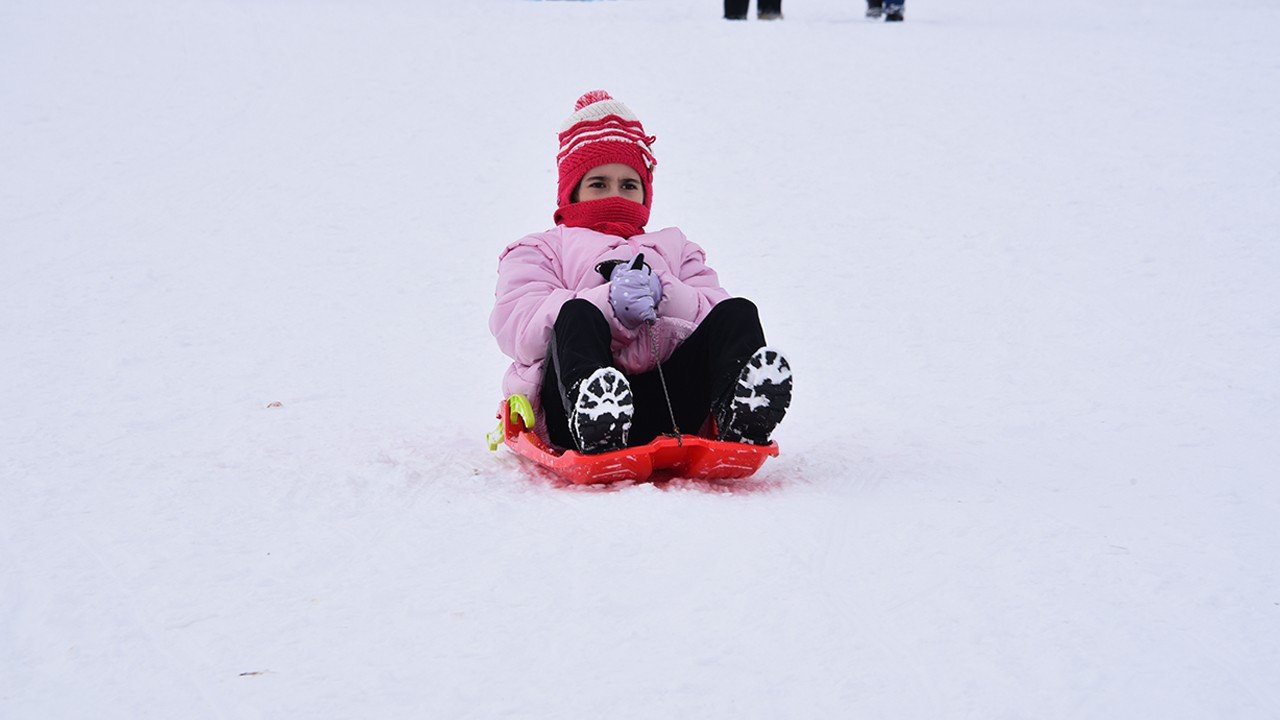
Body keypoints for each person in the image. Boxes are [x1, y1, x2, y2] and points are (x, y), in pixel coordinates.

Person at [489, 90, 793, 455]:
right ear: (572, 191)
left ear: (645, 193)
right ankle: (598, 416)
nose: (615, 195)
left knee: (737, 313)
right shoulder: (540, 249)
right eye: (599, 183)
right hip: (574, 407)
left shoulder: (676, 247)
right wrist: (608, 305)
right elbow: (518, 329)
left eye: (628, 184)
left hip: (674, 401)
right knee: (576, 314)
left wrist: (665, 292)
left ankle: (742, 416)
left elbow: (712, 308)